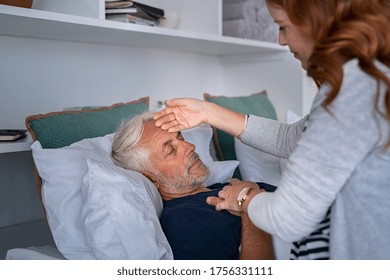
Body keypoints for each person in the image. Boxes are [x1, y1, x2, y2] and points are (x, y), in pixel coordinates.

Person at [154, 0, 390, 259]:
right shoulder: (371, 80)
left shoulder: (353, 89)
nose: (281, 40)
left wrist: (245, 198)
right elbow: (293, 138)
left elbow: (290, 216)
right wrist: (208, 112)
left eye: (283, 26)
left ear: (318, 21)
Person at [111, 111, 275, 260]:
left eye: (181, 138)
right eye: (170, 150)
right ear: (151, 178)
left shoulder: (223, 187)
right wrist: (249, 202)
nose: (190, 146)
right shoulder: (184, 220)